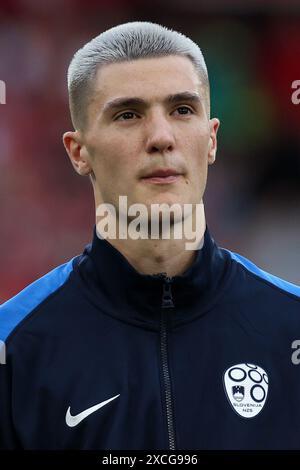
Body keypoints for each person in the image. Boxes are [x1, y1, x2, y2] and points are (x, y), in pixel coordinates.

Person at [0, 21, 300, 451]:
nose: (161, 137)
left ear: (211, 139)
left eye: (182, 110)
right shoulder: (13, 348)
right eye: (128, 115)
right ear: (78, 151)